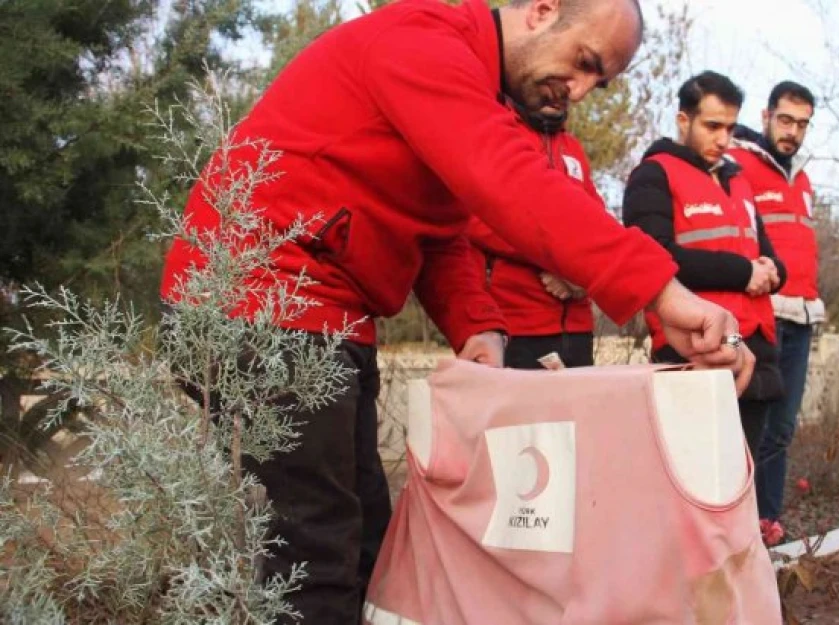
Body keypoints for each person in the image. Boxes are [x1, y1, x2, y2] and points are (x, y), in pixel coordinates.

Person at [160, 1, 754, 622]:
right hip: (260, 304)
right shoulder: (422, 44)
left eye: (595, 83)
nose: (577, 91)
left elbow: (442, 233)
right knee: (315, 557)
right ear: (543, 10)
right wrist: (663, 291)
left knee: (364, 542)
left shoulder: (470, 85)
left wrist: (477, 327)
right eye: (583, 63)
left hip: (326, 318)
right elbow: (509, 181)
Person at [623, 70, 786, 459]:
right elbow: (655, 260)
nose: (723, 139)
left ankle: (755, 523)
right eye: (713, 126)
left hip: (757, 349)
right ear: (684, 120)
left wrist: (774, 272)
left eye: (730, 127)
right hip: (695, 350)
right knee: (699, 474)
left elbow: (768, 256)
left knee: (746, 471)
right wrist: (745, 272)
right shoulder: (653, 175)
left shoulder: (739, 181)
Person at [730, 80, 821, 529]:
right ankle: (738, 530)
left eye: (802, 124)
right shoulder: (738, 162)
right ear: (766, 117)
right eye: (785, 120)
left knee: (782, 432)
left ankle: (768, 526)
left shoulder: (802, 177)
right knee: (751, 428)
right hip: (761, 314)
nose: (793, 132)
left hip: (803, 316)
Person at [466, 104, 599, 370]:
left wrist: (584, 274)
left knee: (581, 412)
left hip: (578, 327)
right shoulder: (499, 137)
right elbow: (476, 217)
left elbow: (597, 221)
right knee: (525, 413)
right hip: (517, 324)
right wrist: (555, 259)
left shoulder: (572, 148)